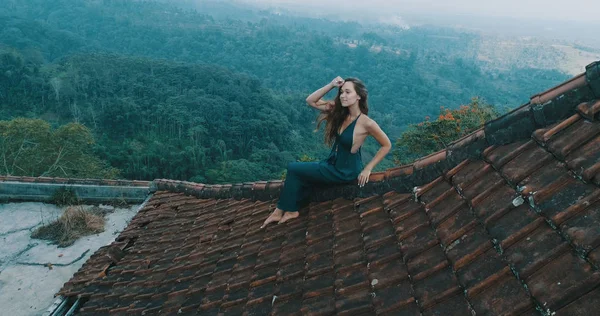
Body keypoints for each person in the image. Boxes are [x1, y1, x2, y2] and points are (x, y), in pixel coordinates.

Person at [260, 76, 392, 228]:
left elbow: (386, 145)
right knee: (302, 179)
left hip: (345, 170)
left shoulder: (366, 123)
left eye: (348, 92)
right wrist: (331, 85)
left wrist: (368, 169)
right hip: (332, 163)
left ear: (359, 96)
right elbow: (310, 100)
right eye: (341, 92)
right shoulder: (340, 112)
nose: (343, 95)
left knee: (293, 168)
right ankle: (282, 210)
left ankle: (288, 211)